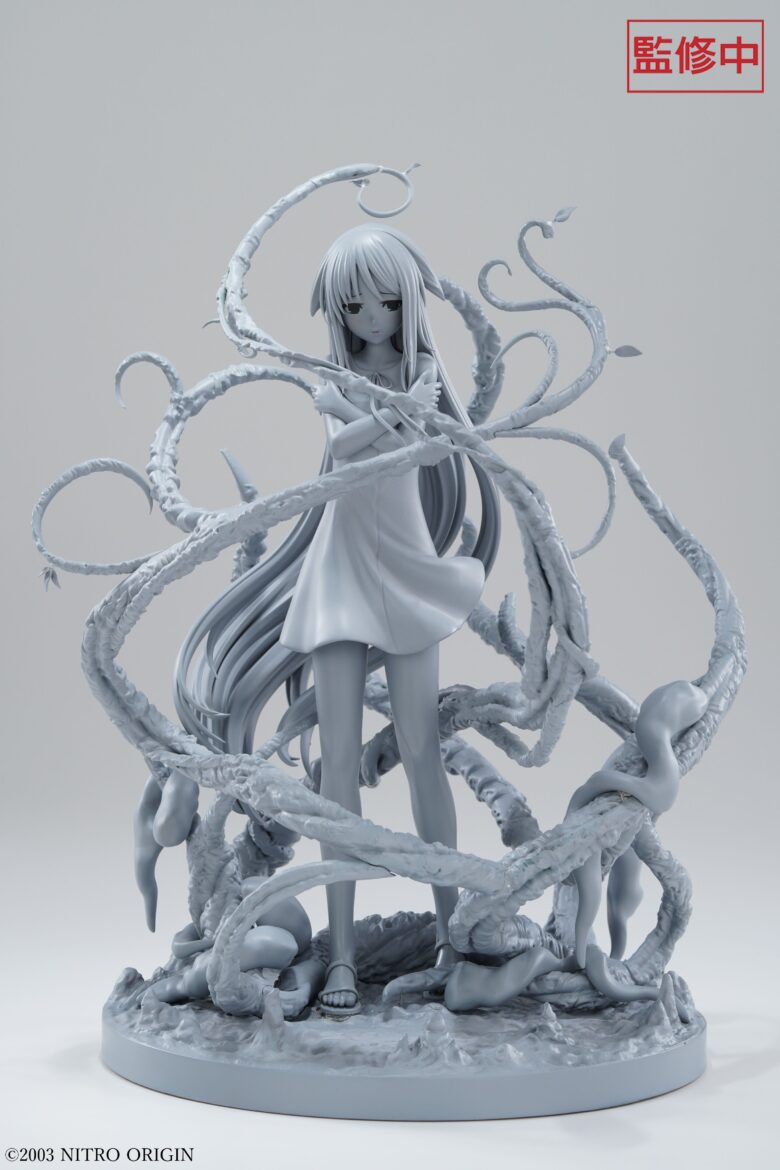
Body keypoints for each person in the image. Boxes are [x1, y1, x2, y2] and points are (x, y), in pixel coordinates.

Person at [175, 224, 500, 1017]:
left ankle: (451, 935)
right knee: (336, 772)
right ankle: (346, 953)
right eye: (355, 305)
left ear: (407, 303)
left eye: (386, 302)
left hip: (408, 568)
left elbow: (433, 454)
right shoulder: (340, 376)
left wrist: (395, 413)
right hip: (340, 573)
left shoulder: (422, 370)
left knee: (423, 753)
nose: (372, 318)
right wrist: (393, 414)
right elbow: (349, 450)